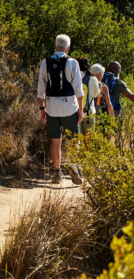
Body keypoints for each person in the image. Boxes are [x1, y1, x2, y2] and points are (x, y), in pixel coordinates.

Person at [37, 35, 83, 185]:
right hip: (69, 106)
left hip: (51, 107)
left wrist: (42, 108)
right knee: (74, 140)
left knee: (55, 142)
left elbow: (41, 88)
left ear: (55, 46)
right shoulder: (72, 62)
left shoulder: (45, 62)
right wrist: (80, 111)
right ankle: (74, 168)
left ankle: (57, 173)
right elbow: (79, 90)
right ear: (68, 48)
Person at [77, 58, 100, 136]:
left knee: (76, 140)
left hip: (75, 113)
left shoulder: (73, 78)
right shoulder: (92, 79)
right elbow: (96, 94)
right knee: (88, 142)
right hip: (89, 112)